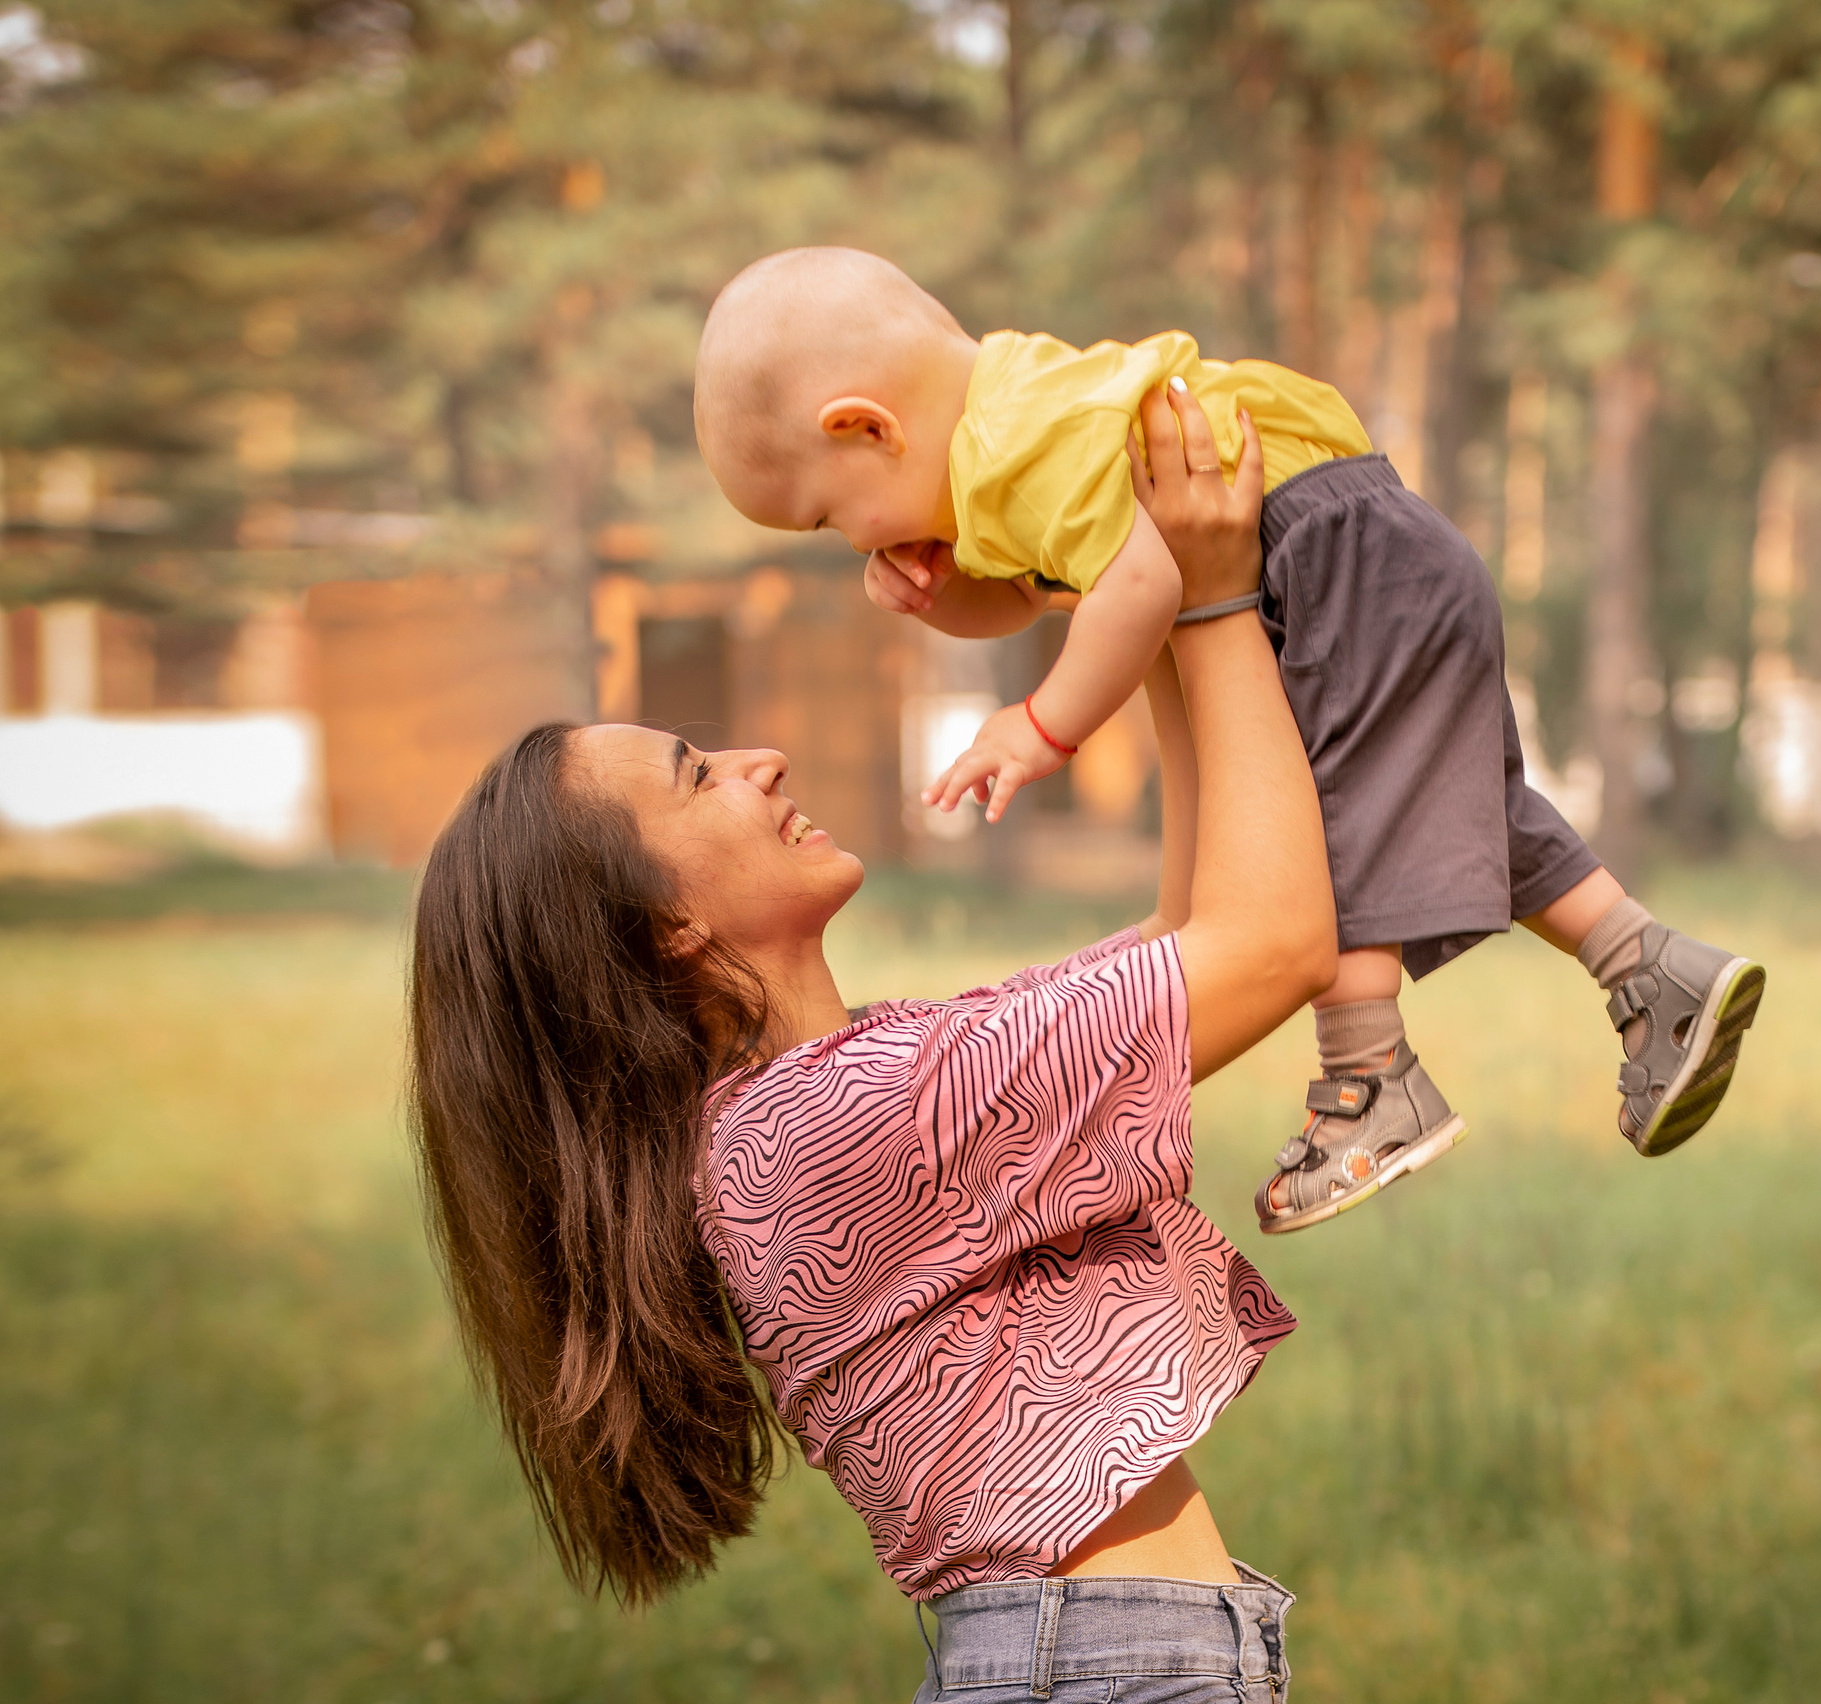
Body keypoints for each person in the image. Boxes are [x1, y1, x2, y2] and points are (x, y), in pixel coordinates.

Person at [409, 391, 1334, 1700]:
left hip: (1111, 1659)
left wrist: (1144, 589)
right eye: (695, 775)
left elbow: (1195, 929)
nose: (761, 761)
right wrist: (1221, 599)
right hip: (1107, 1670)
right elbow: (1276, 943)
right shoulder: (836, 1128)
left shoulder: (835, 1096)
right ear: (667, 928)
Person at [691, 246, 1767, 1236]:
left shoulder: (1017, 444)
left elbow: (1146, 584)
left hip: (1322, 554)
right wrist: (938, 599)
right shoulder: (1012, 422)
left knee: (1336, 812)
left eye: (833, 521)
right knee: (1440, 799)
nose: (857, 546)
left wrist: (1039, 724)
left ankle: (1369, 1081)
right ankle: (1646, 964)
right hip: (1377, 542)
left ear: (865, 428)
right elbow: (1038, 596)